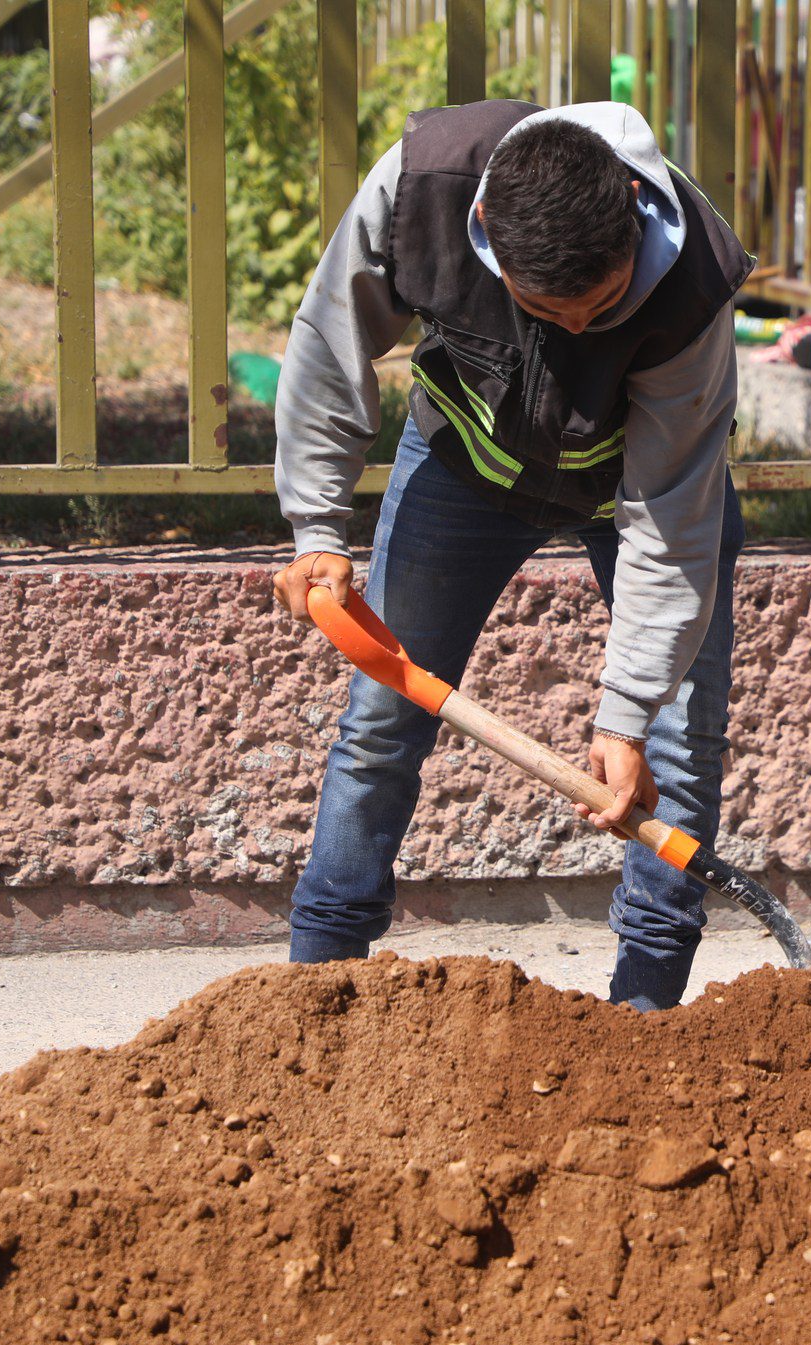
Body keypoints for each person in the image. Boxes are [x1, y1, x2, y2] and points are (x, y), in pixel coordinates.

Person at [270, 100, 751, 1011]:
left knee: (676, 748)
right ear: (486, 230)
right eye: (547, 309)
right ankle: (315, 996)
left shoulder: (690, 282)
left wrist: (623, 715)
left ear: (634, 222)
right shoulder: (425, 187)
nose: (576, 331)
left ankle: (644, 1017)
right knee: (380, 723)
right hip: (463, 462)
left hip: (635, 491)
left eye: (602, 307)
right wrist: (318, 531)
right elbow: (331, 345)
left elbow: (670, 520)